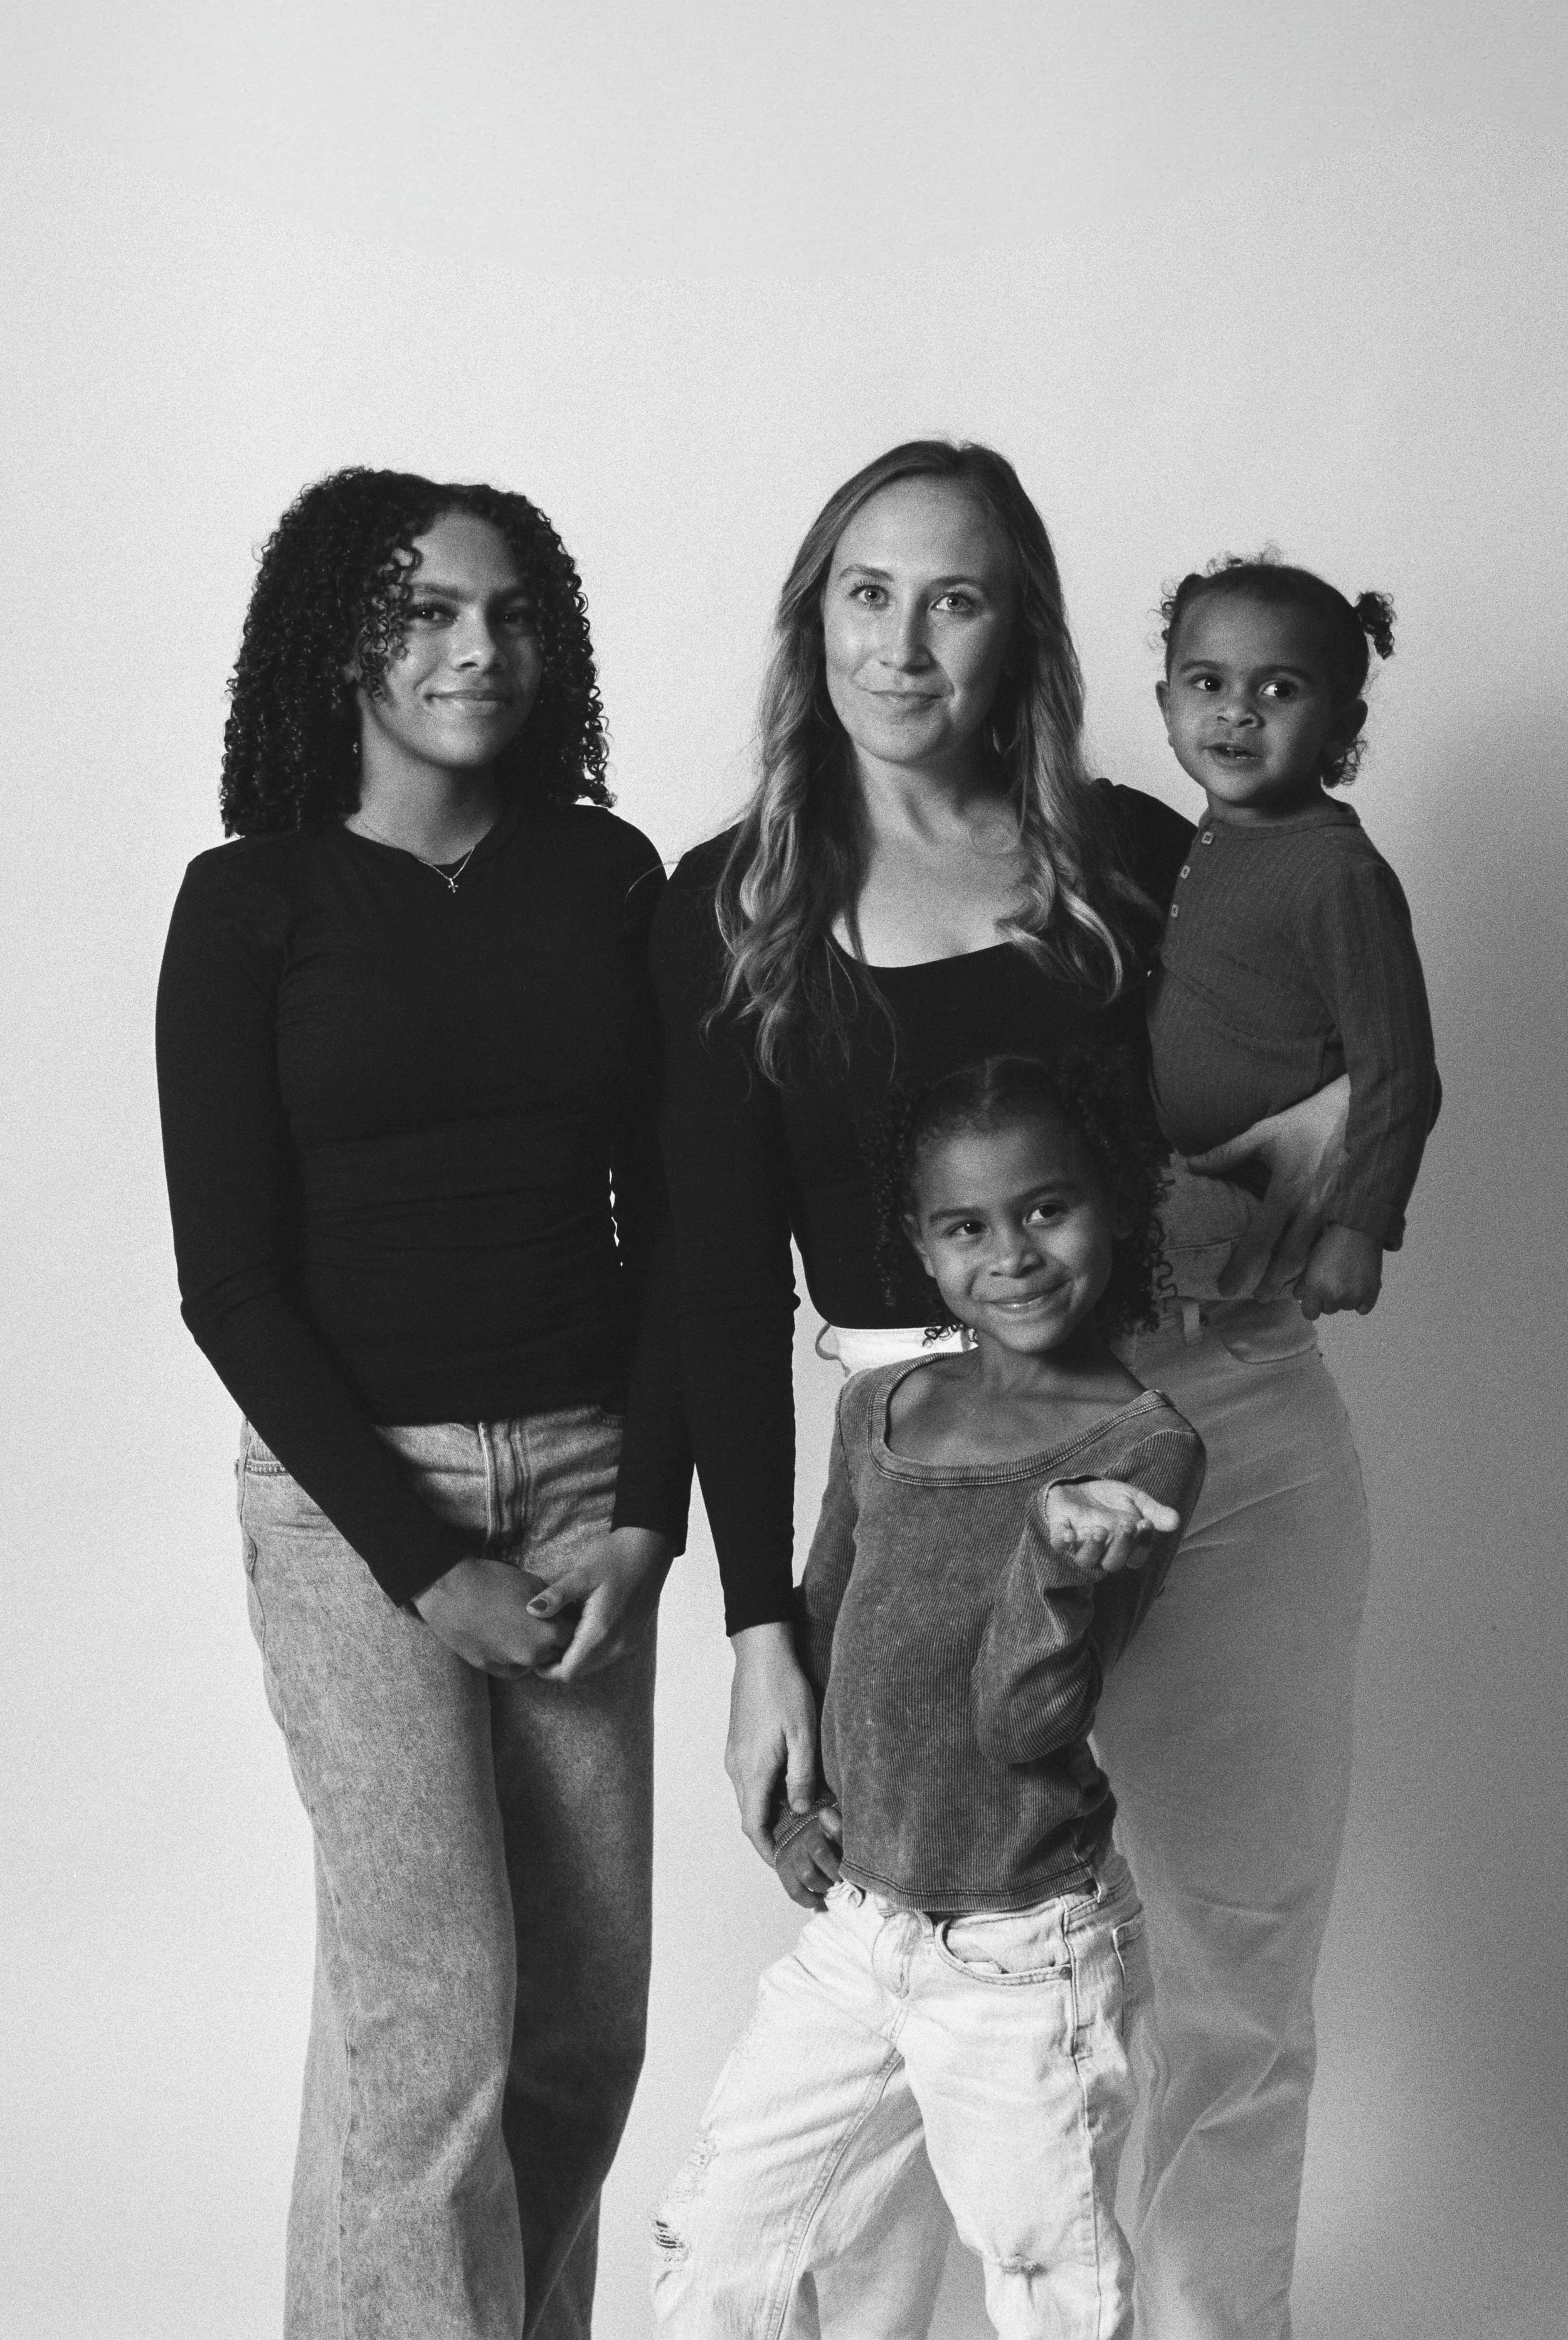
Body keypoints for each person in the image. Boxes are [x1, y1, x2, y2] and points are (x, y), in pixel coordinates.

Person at [650, 439, 1391, 2339]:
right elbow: (717, 1288)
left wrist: (1279, 1177)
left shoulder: (1141, 854)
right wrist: (754, 1623)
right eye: (866, 592)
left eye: (956, 596)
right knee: (911, 2000)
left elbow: (1341, 1078)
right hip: (925, 1482)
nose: (903, 644)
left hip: (1217, 1437)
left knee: (1226, 1991)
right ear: (811, 615)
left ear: (1021, 633)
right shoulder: (727, 902)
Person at [156, 467, 690, 2340]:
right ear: (338, 645)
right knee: (431, 2033)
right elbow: (230, 1281)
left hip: (584, 1476)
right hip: (350, 1507)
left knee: (579, 2023)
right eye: (425, 611)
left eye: (508, 611)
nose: (477, 646)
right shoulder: (247, 908)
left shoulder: (604, 878)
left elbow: (676, 1216)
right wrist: (423, 1561)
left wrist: (648, 1509)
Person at [651, 1052, 1206, 2339]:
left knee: (1046, 2288)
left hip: (1024, 1956)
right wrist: (801, 1817)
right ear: (917, 1241)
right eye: (965, 1224)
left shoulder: (1139, 1447)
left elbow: (1025, 1725)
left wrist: (1056, 1564)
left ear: (1113, 1203)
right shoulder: (880, 1406)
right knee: (722, 2244)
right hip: (863, 1930)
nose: (1010, 1252)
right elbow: (824, 1626)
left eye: (1045, 1208)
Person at [1147, 553, 1435, 1317]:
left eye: (1280, 689)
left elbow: (1399, 1071)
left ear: (1341, 723)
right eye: (1207, 682)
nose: (1238, 710)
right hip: (1187, 1179)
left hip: (1251, 1208)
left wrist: (1358, 1229)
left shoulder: (1336, 875)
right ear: (1165, 701)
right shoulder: (1214, 836)